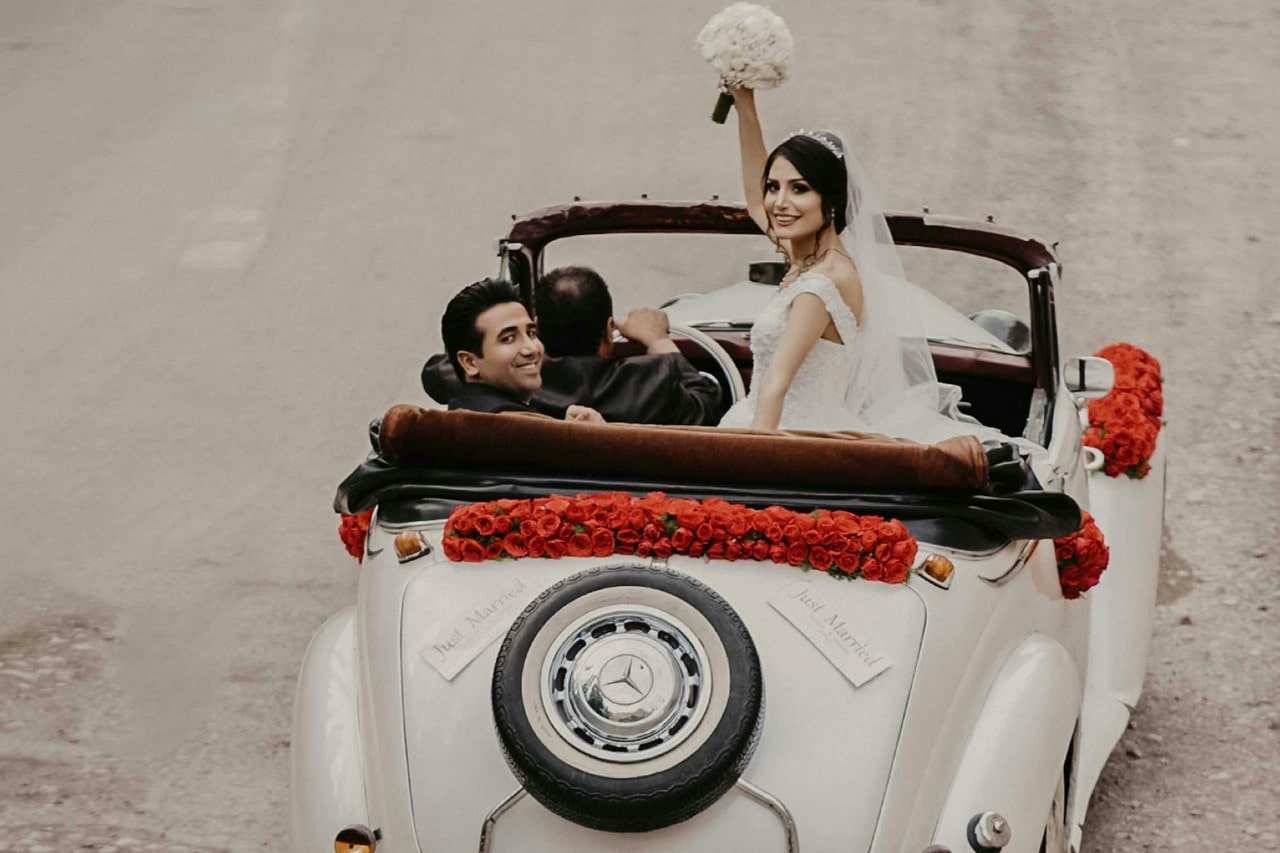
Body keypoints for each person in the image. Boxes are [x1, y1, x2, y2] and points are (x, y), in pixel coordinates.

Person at [718, 88, 1012, 446]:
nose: (779, 203)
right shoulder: (814, 259)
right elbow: (755, 200)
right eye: (773, 187)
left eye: (799, 189)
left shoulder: (821, 284)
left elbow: (776, 384)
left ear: (831, 201)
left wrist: (750, 464)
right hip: (782, 424)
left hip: (787, 438)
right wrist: (745, 106)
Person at [424, 267, 722, 425]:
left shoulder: (484, 391)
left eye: (528, 332)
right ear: (609, 330)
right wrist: (658, 340)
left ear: (538, 330)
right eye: (508, 337)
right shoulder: (658, 378)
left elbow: (437, 371)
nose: (527, 348)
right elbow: (708, 403)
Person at [440, 277, 603, 422]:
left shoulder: (463, 413)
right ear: (469, 362)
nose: (531, 348)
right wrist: (591, 440)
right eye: (508, 339)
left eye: (531, 333)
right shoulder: (517, 428)